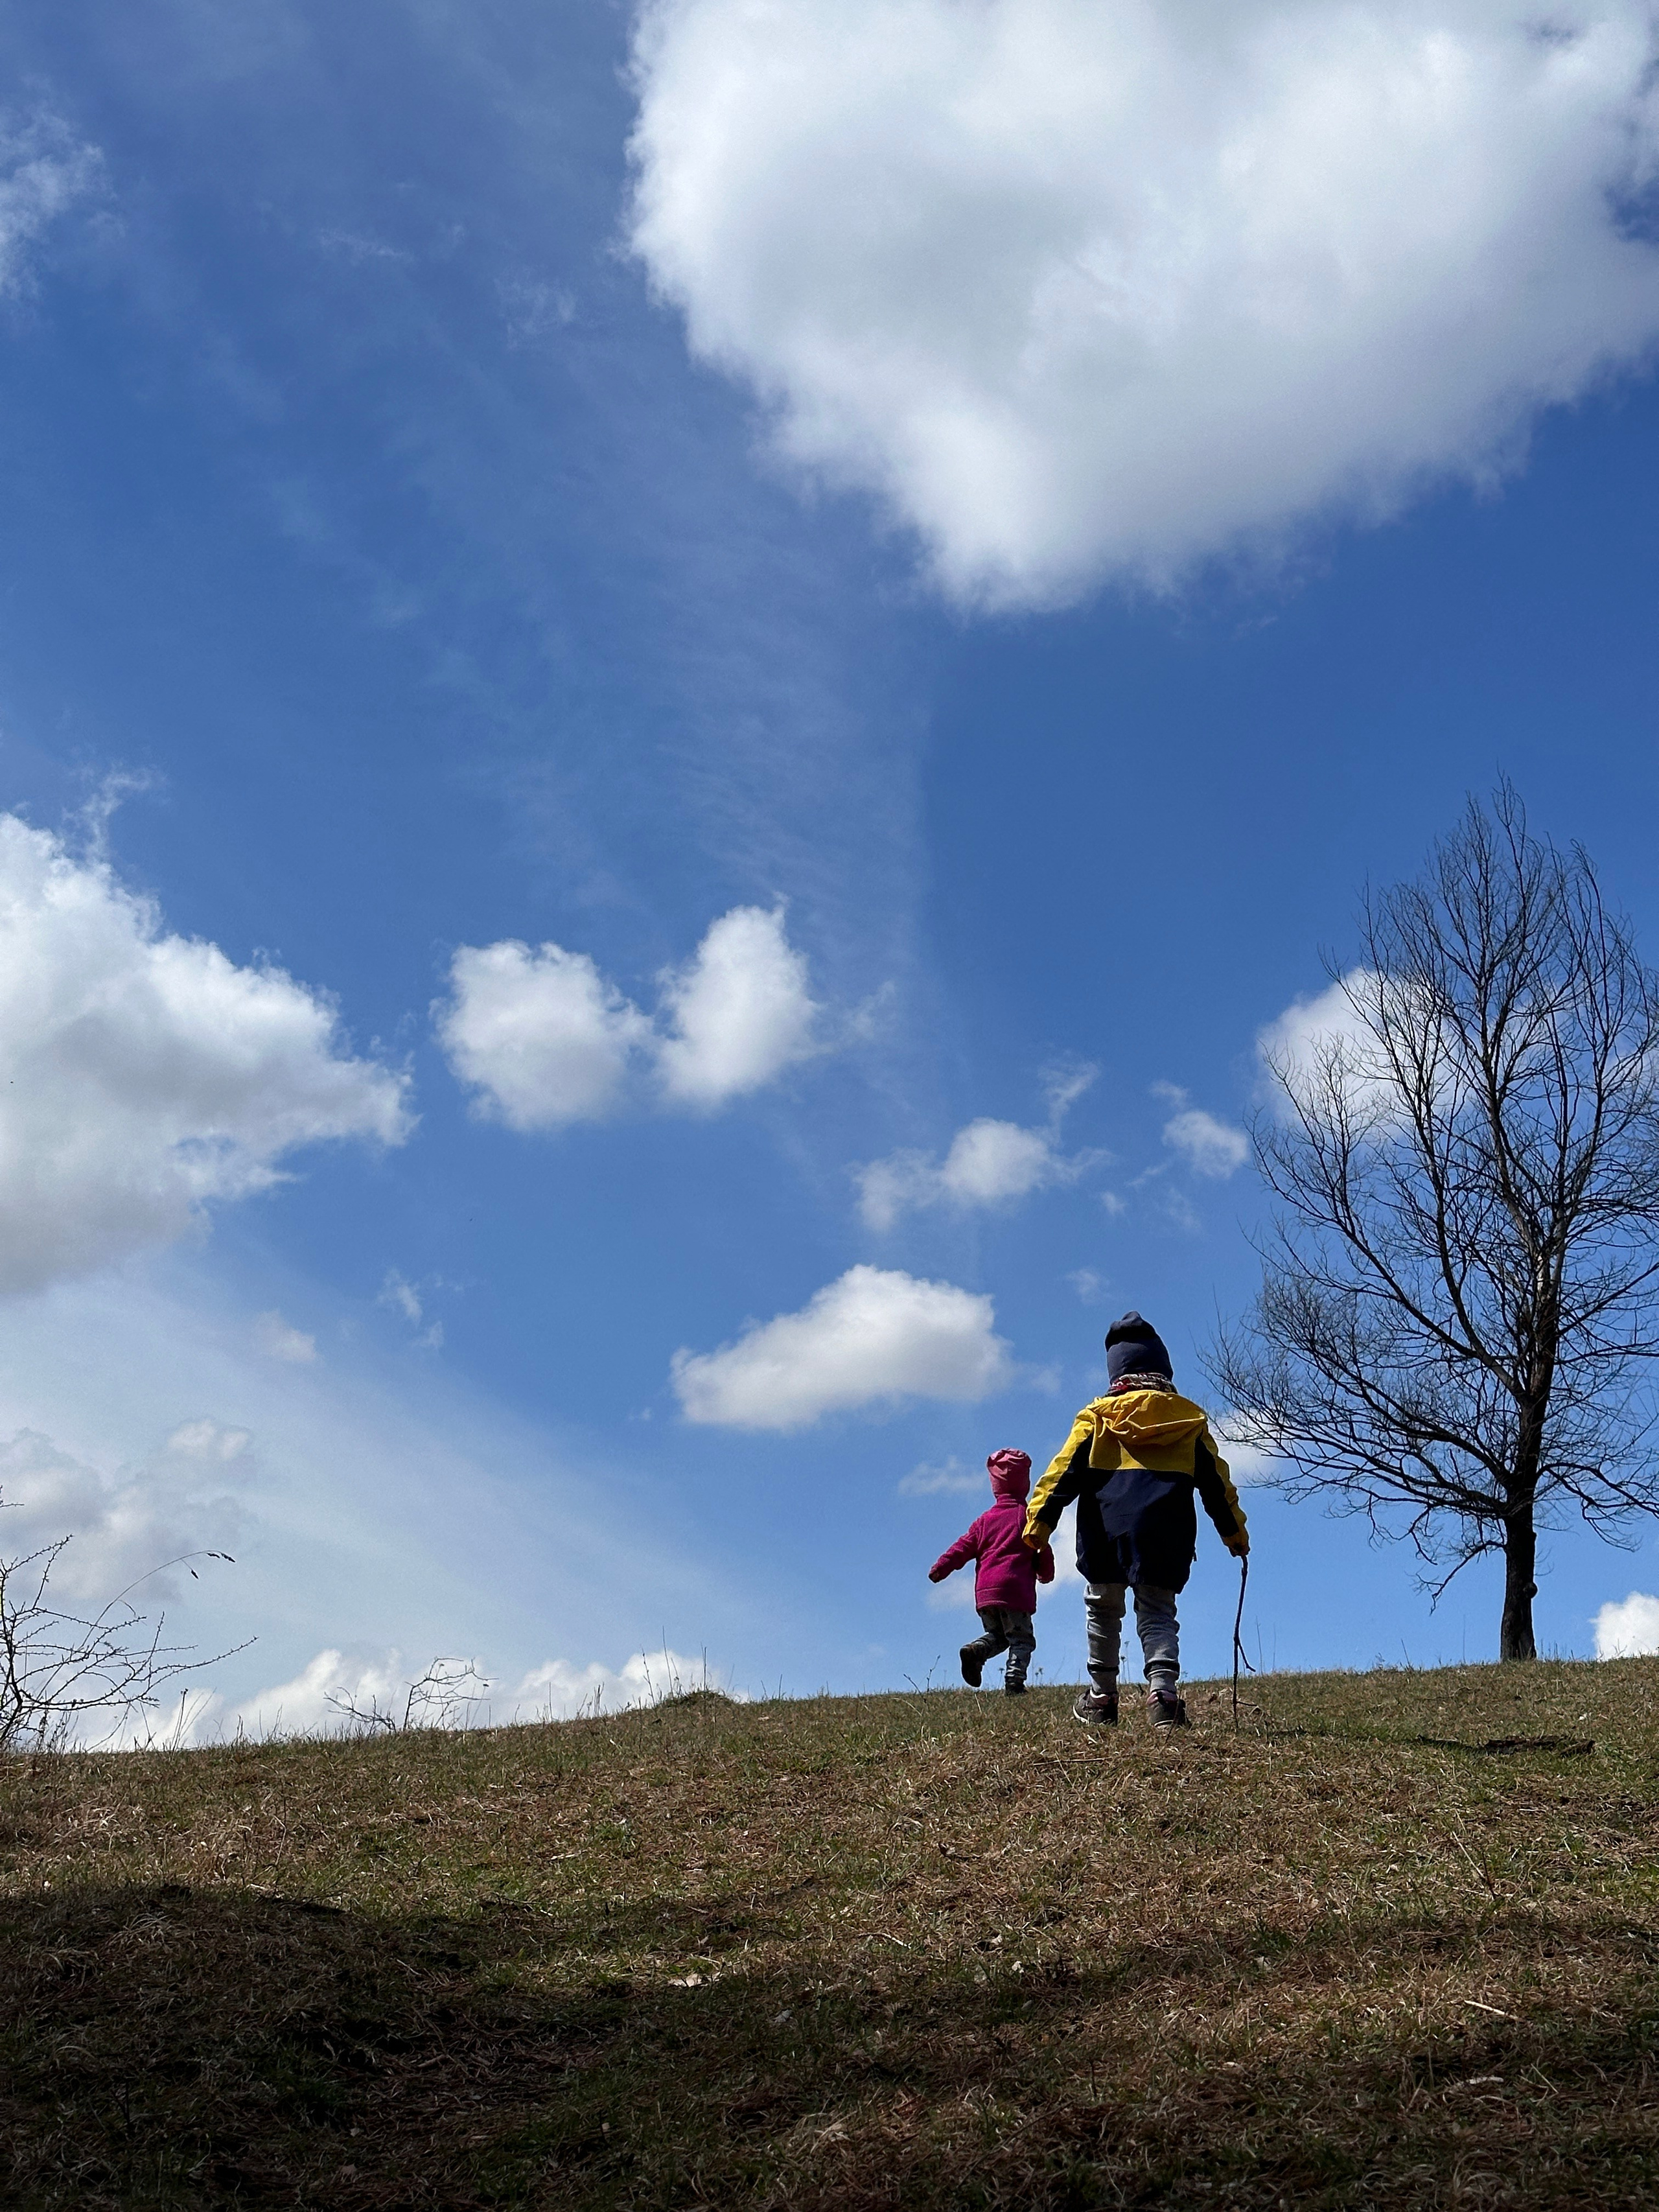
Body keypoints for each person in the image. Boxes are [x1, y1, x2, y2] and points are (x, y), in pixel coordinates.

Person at [1023, 1312, 1247, 1732]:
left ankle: (1102, 1698)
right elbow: (1218, 1484)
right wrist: (1234, 1533)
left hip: (1104, 1533)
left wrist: (1038, 1526)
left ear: (1115, 1374)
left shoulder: (1096, 1419)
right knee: (1158, 1611)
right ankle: (1163, 1697)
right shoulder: (1189, 1421)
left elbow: (1059, 1477)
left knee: (1103, 1610)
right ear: (1163, 1370)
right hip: (1164, 1536)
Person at [929, 1449, 1056, 1695]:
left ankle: (976, 1650)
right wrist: (1045, 1573)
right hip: (1015, 1591)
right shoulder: (1029, 1517)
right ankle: (1014, 1683)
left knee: (998, 1635)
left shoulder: (984, 1521)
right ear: (1026, 1483)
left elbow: (961, 1548)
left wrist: (940, 1569)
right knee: (1022, 1640)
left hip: (986, 1594)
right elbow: (1042, 1549)